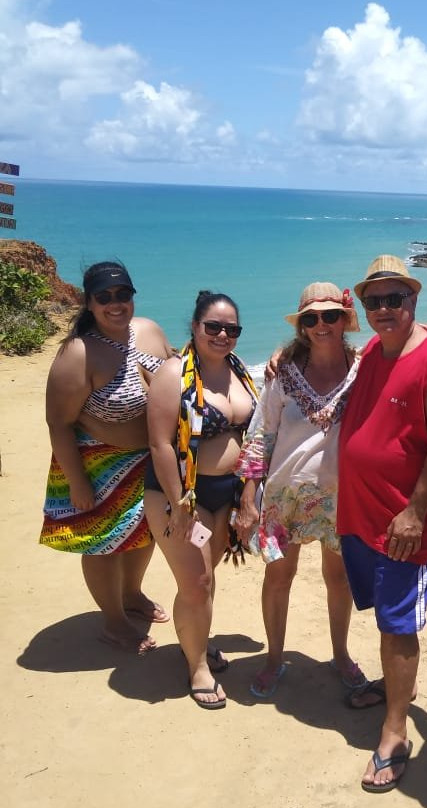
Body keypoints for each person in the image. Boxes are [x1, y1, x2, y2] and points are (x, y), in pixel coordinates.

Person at [337, 255, 427, 793]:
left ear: (414, 302)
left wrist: (414, 511)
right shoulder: (371, 349)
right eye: (375, 301)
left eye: (396, 299)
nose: (385, 309)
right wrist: (282, 356)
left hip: (400, 526)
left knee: (398, 624)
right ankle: (393, 690)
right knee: (384, 618)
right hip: (359, 517)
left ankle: (395, 731)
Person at [234, 281, 366, 699]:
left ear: (345, 319)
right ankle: (273, 659)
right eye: (311, 318)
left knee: (339, 579)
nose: (321, 325)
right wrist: (246, 499)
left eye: (331, 315)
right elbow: (261, 436)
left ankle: (340, 654)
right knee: (279, 577)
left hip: (341, 495)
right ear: (302, 326)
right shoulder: (282, 373)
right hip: (284, 495)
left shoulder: (367, 367)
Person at [40, 260, 174, 654]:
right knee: (103, 544)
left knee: (144, 533)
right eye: (104, 297)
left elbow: (177, 371)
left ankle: (131, 594)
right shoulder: (77, 353)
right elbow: (58, 423)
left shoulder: (148, 330)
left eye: (123, 295)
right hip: (97, 465)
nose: (115, 304)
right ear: (89, 303)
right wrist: (77, 481)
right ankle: (113, 622)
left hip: (148, 460)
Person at [144, 291, 257, 709]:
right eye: (213, 326)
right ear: (195, 327)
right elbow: (158, 444)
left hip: (223, 494)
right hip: (179, 496)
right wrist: (179, 503)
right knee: (195, 583)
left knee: (208, 578)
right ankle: (197, 668)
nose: (223, 334)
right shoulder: (173, 374)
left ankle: (199, 641)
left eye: (232, 329)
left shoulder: (239, 371)